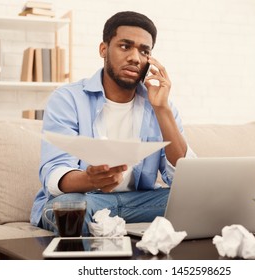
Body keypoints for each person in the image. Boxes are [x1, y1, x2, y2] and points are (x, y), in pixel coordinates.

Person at [30, 11, 196, 236]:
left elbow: (184, 177)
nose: (135, 58)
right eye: (125, 46)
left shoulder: (159, 105)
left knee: (203, 199)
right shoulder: (68, 98)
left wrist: (162, 109)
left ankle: (112, 230)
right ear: (103, 49)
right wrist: (90, 179)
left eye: (144, 51)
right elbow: (55, 174)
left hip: (138, 202)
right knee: (69, 209)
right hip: (86, 199)